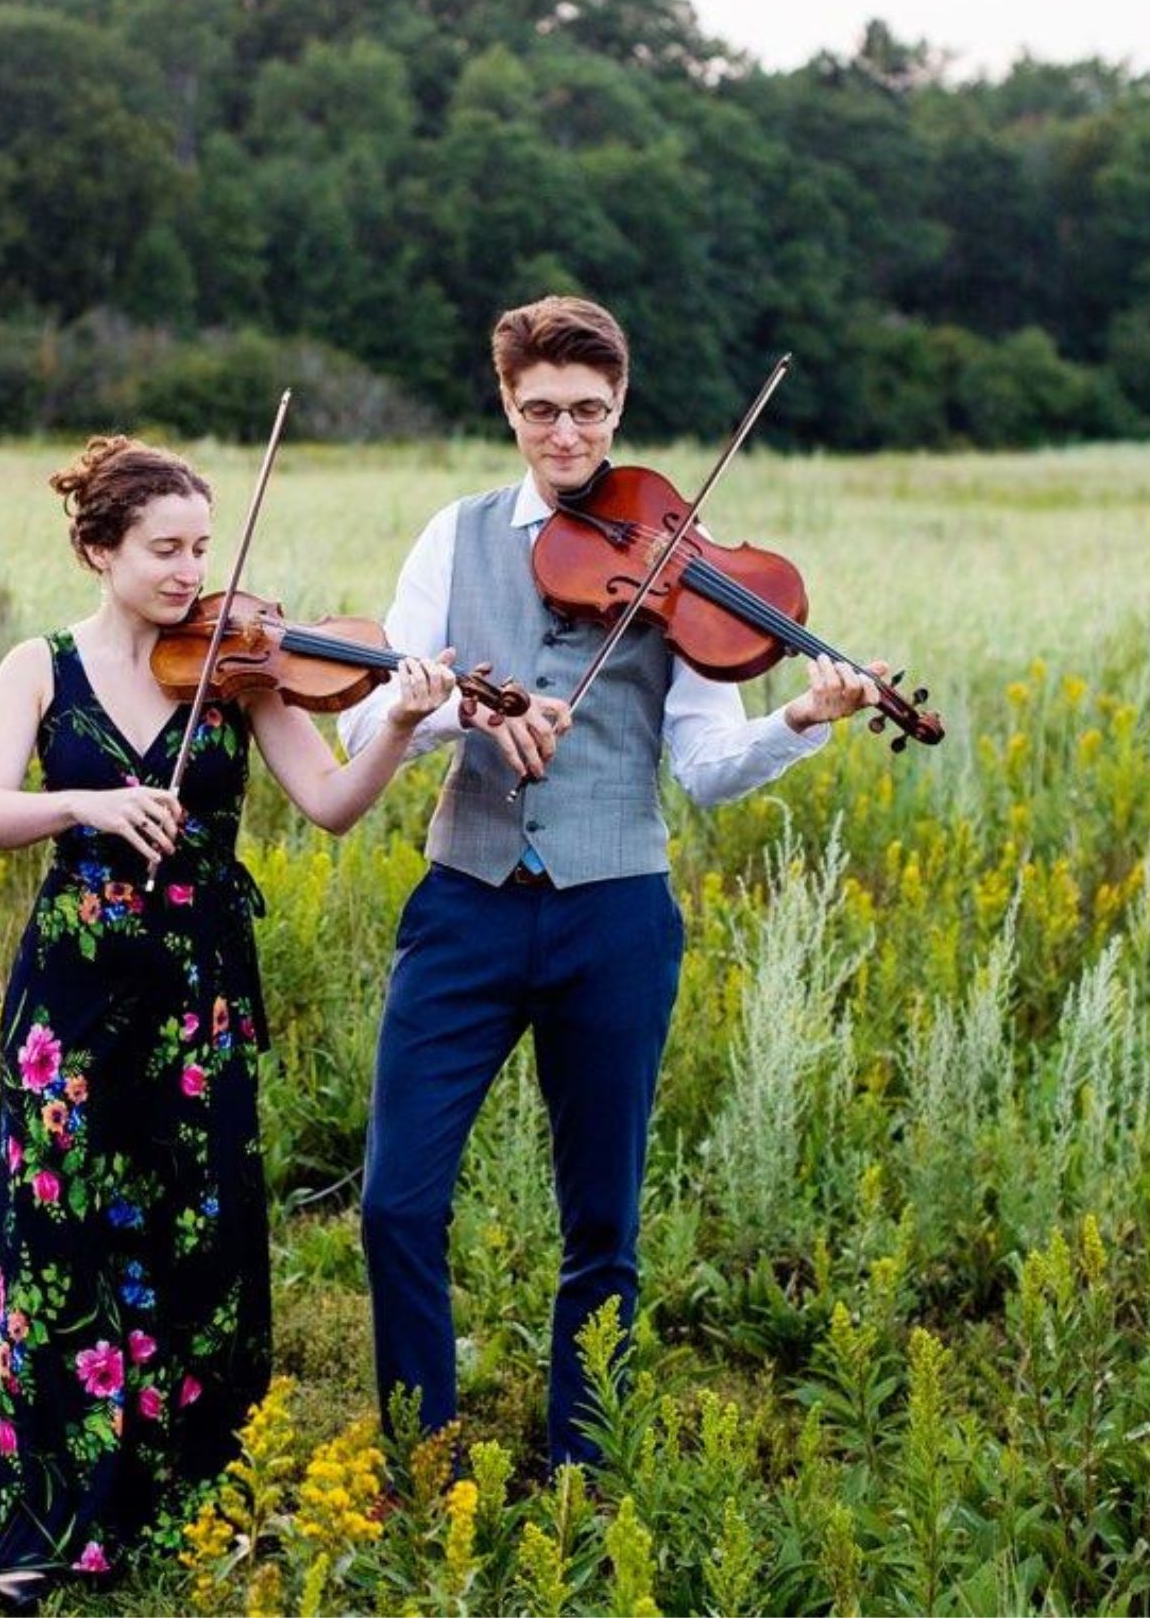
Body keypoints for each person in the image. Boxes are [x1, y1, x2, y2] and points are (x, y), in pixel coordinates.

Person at [335, 295, 887, 1467]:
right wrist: (455, 711)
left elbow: (706, 769)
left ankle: (583, 1466)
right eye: (542, 412)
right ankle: (420, 1456)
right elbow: (373, 724)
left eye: (590, 412)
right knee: (393, 1203)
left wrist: (800, 713)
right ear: (507, 406)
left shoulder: (673, 556)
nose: (569, 437)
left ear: (620, 406)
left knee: (601, 1220)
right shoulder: (454, 537)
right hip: (466, 901)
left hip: (615, 910)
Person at [0, 434, 455, 1609]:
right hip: (69, 1005)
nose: (191, 571)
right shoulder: (40, 667)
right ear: (99, 549)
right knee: (57, 1243)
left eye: (201, 546)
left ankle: (191, 1500)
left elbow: (330, 804)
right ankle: (47, 1520)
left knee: (198, 1239)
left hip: (196, 1000)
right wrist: (87, 800)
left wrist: (391, 721)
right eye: (165, 548)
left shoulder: (241, 672)